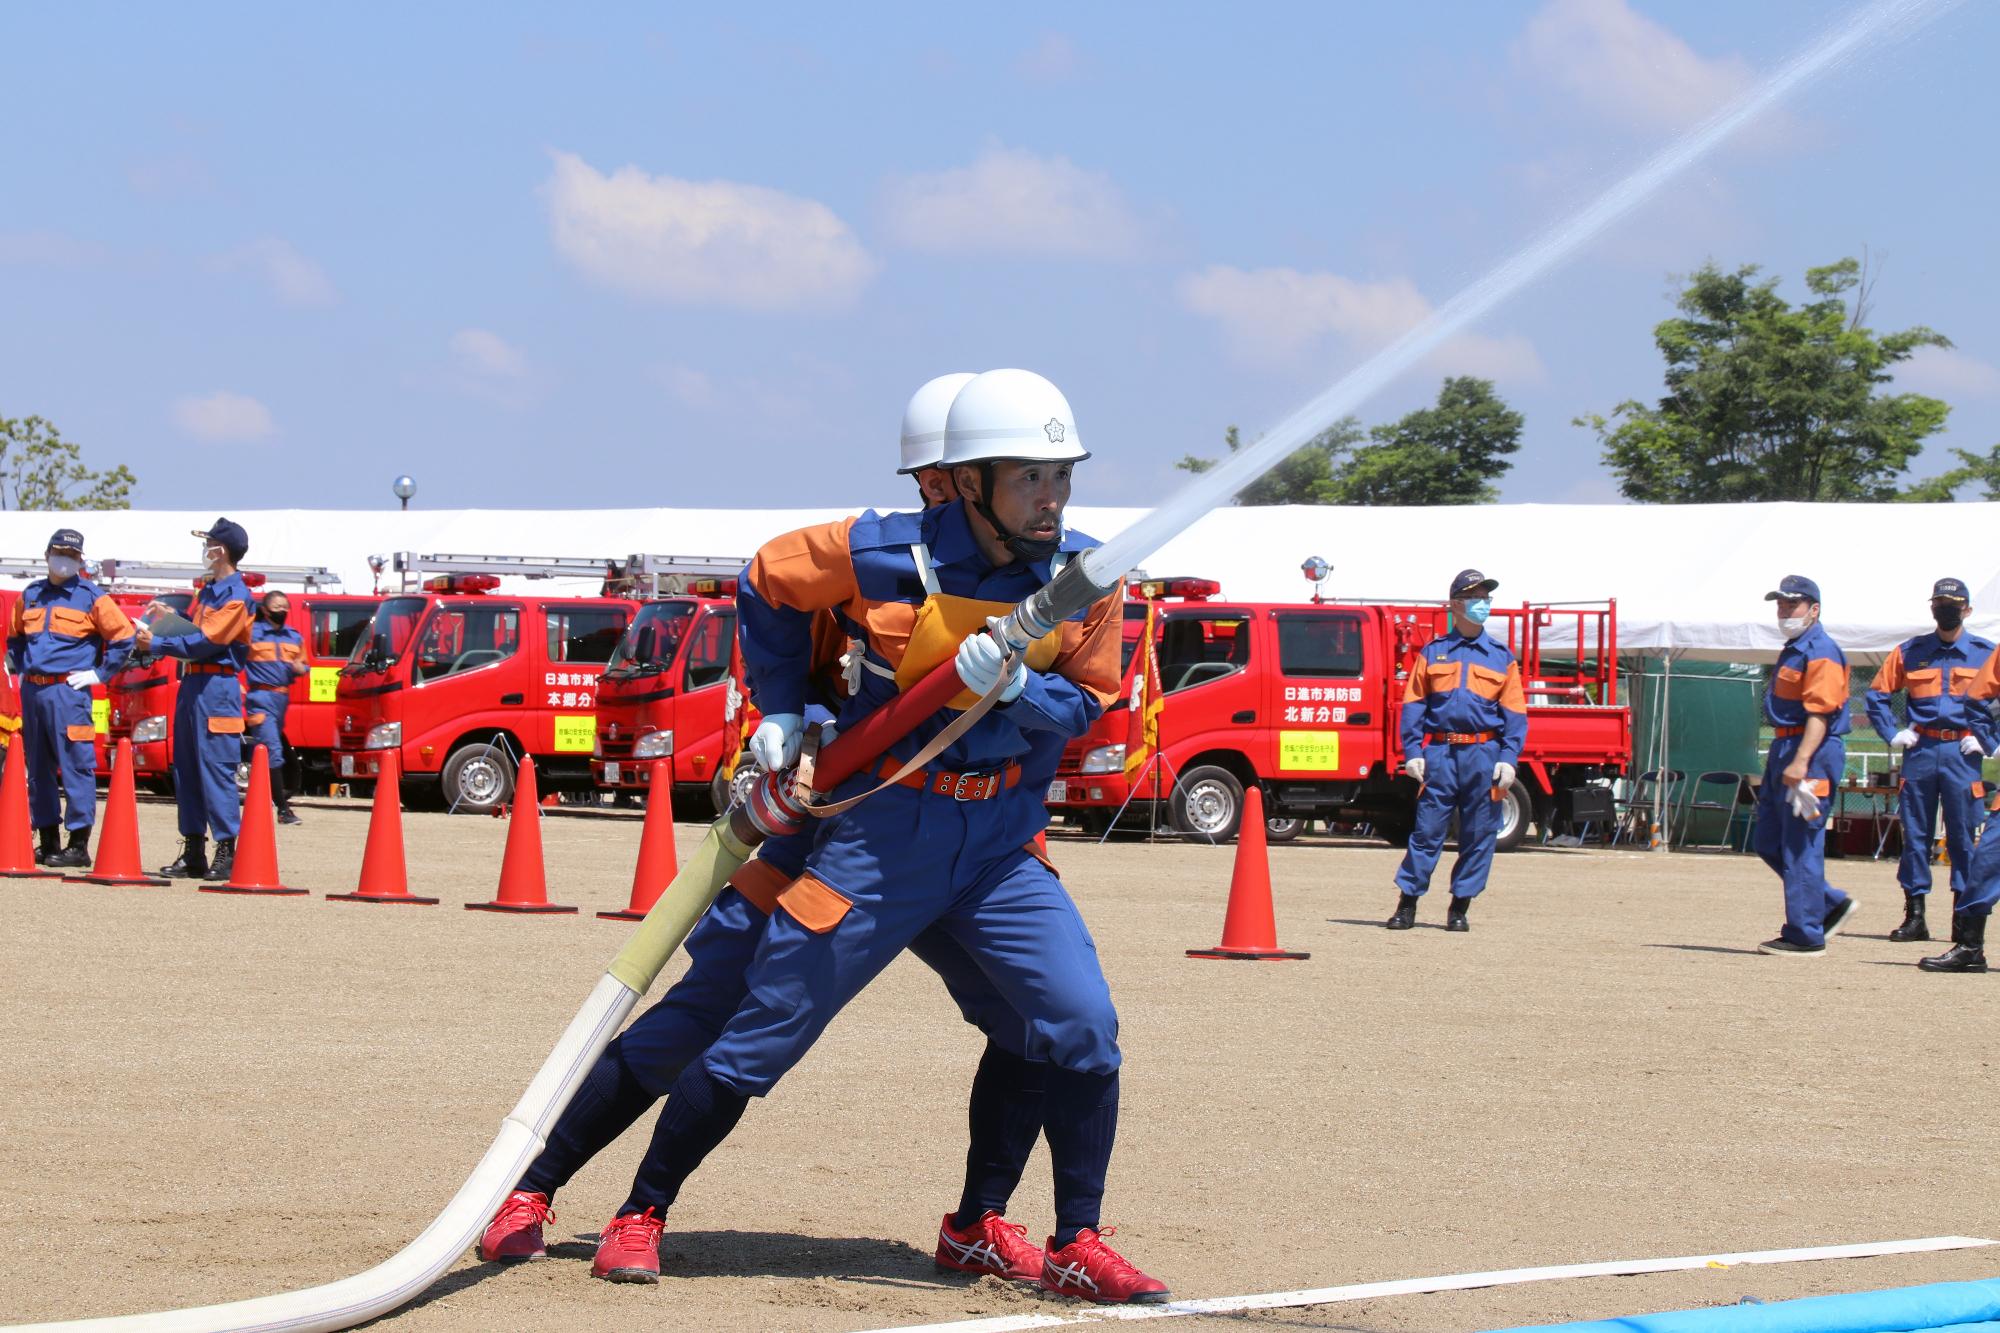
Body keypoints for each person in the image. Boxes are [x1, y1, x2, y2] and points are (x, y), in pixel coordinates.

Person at [479, 373, 1091, 1294]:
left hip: (983, 840)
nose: (934, 503)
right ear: (953, 481)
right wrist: (784, 706)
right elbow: (769, 587)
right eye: (929, 482)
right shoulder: (884, 557)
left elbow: (1083, 704)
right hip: (838, 821)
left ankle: (978, 1221)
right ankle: (538, 1187)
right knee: (711, 1005)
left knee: (1035, 1022)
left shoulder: (1061, 574)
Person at [1384, 569, 1527, 933]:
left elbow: (1515, 714)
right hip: (1441, 754)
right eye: (1476, 597)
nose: (1484, 604)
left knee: (1480, 833)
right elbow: (1414, 704)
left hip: (1483, 753)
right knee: (1427, 831)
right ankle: (1407, 904)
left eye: (1486, 597)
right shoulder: (1434, 653)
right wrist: (1413, 751)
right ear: (1456, 604)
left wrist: (1508, 759)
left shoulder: (1501, 657)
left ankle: (1460, 906)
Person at [1864, 577, 1995, 943]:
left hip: (1962, 753)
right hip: (1920, 751)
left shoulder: (1986, 652)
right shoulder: (1910, 651)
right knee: (1915, 835)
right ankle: (1915, 915)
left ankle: (1962, 918)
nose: (1945, 610)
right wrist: (1892, 734)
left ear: (1967, 610)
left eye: (1953, 605)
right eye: (1939, 603)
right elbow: (1877, 695)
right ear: (1932, 607)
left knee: (1963, 838)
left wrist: (1988, 740)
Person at [5, 528, 134, 867]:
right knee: (38, 768)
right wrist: (22, 667)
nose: (65, 559)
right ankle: (48, 840)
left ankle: (78, 844)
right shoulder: (30, 595)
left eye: (73, 555)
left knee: (77, 765)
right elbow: (14, 636)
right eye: (60, 552)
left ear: (80, 560)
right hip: (34, 691)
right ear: (48, 554)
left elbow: (124, 637)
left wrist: (100, 673)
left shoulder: (91, 597)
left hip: (69, 691)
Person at [136, 518, 254, 883]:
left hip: (217, 689)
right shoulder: (208, 592)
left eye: (211, 545)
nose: (206, 551)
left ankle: (227, 850)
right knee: (185, 770)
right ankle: (192, 850)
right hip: (193, 685)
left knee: (216, 769)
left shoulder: (237, 596)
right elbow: (196, 631)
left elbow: (208, 642)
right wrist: (171, 618)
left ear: (223, 551)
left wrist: (157, 643)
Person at [1752, 575, 1856, 958]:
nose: (1784, 611)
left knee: (1800, 843)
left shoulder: (1820, 650)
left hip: (1809, 748)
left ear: (1814, 609)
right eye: (1780, 605)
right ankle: (1828, 904)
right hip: (1787, 743)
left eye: (1791, 605)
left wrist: (1800, 761)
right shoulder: (1796, 647)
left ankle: (1805, 933)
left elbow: (1821, 714)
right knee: (1768, 841)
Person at [246, 590, 309, 825]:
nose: (282, 611)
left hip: (282, 698)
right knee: (272, 751)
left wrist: (302, 668)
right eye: (277, 607)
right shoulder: (252, 634)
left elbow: (304, 663)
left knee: (265, 753)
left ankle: (257, 804)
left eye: (285, 607)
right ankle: (283, 810)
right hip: (260, 697)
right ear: (265, 609)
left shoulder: (294, 637)